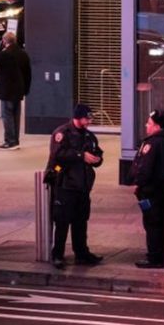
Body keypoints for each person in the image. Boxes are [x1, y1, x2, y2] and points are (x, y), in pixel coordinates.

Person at [46, 104, 103, 270]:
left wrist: (97, 159)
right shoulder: (62, 133)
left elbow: (97, 151)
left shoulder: (89, 136)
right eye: (87, 119)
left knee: (81, 221)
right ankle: (58, 255)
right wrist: (81, 155)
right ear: (77, 118)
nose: (89, 122)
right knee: (62, 222)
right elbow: (58, 154)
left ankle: (82, 253)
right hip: (65, 185)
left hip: (83, 186)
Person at [129, 110, 164, 269]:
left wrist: (137, 183)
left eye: (149, 123)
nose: (146, 125)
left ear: (157, 126)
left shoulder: (151, 144)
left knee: (151, 223)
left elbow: (144, 168)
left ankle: (154, 257)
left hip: (149, 192)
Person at [0, 31, 31, 150]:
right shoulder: (23, 54)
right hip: (19, 90)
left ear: (4, 41)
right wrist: (26, 89)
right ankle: (15, 140)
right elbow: (28, 73)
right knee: (16, 116)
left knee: (7, 116)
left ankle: (10, 141)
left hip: (6, 90)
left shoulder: (4, 54)